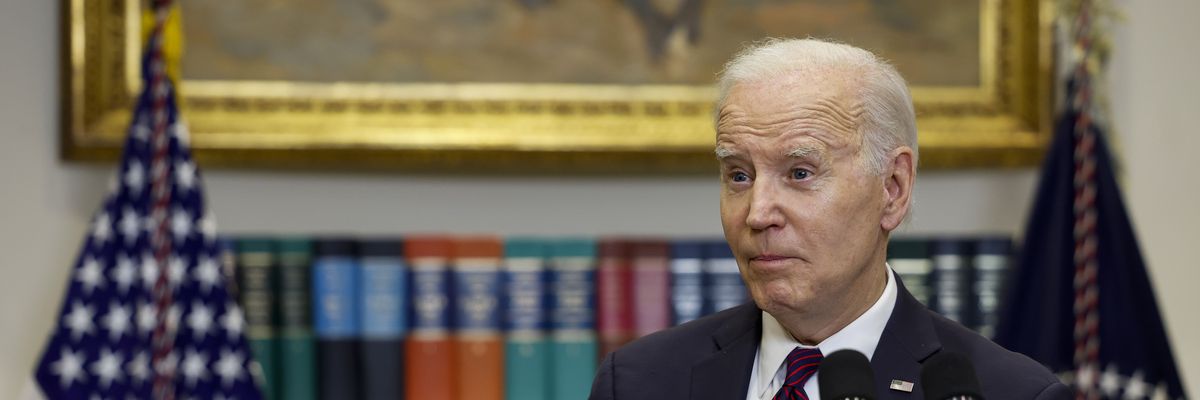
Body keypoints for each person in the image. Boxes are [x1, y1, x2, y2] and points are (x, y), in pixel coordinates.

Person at [588, 38, 1069, 400]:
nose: (757, 213)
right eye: (738, 175)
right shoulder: (636, 382)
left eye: (800, 173)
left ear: (893, 189)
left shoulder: (1010, 392)